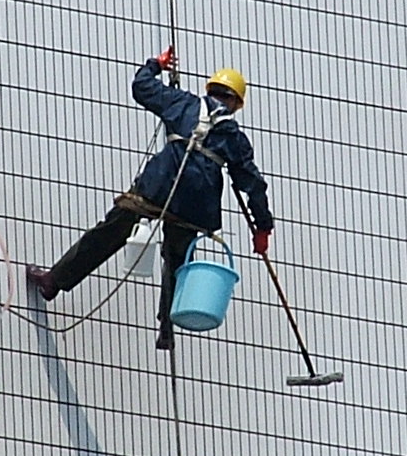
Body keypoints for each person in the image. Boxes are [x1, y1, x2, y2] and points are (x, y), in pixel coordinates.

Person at [27, 52, 275, 349]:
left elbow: (141, 87)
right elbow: (253, 185)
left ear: (209, 90)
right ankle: (167, 327)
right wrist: (262, 228)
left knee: (111, 230)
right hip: (193, 205)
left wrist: (156, 64)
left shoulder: (183, 103)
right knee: (178, 260)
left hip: (158, 188)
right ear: (235, 103)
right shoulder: (234, 137)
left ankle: (54, 281)